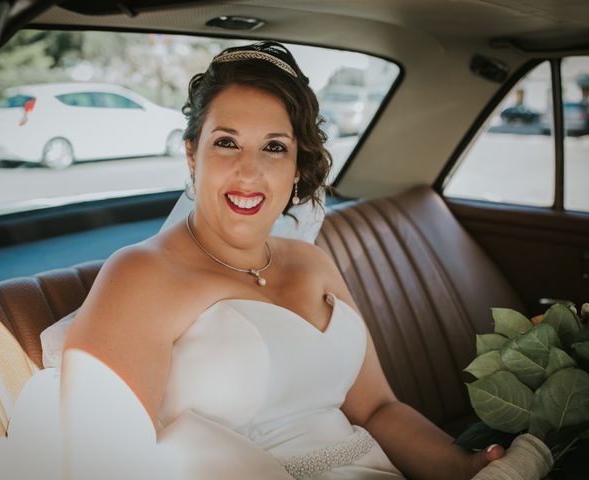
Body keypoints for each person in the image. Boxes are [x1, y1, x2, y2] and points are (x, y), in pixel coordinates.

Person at [58, 41, 504, 479]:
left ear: (296, 167)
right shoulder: (143, 274)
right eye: (227, 142)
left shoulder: (314, 263)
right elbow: (107, 463)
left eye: (274, 148)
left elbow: (377, 408)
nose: (249, 172)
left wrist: (464, 467)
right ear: (192, 155)